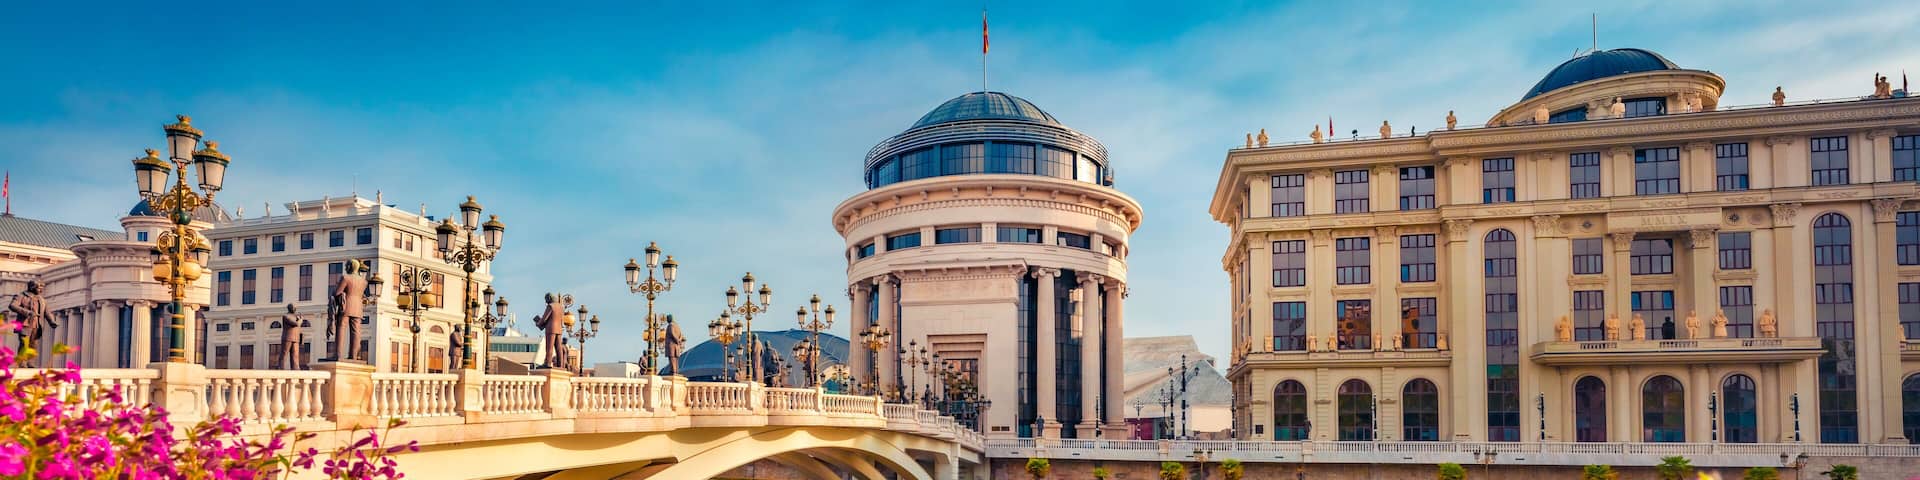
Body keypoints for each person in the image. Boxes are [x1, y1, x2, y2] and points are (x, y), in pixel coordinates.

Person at [327, 260, 368, 362]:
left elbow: (337, 293)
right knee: (356, 331)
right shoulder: (364, 281)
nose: (345, 268)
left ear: (350, 266)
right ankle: (353, 356)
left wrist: (335, 289)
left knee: (341, 328)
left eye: (346, 266)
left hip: (345, 306)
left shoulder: (346, 278)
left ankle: (338, 355)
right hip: (358, 307)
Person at [7, 280, 53, 364]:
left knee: (33, 344)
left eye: (42, 288)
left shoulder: (41, 299)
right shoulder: (21, 296)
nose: (41, 290)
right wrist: (27, 312)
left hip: (37, 325)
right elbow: (12, 306)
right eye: (39, 288)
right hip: (25, 324)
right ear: (32, 287)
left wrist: (51, 321)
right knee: (24, 342)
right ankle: (22, 362)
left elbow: (47, 312)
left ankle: (30, 362)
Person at [278, 304, 302, 370]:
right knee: (284, 354)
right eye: (294, 308)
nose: (295, 309)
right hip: (287, 337)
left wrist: (301, 338)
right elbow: (296, 324)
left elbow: (299, 328)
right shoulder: (286, 316)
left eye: (295, 308)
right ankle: (281, 368)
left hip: (296, 338)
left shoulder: (296, 317)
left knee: (295, 355)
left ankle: (295, 368)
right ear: (290, 308)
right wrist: (301, 320)